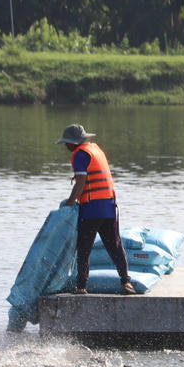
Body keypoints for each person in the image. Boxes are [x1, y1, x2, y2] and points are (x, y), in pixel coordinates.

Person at [56, 124, 136, 295]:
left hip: (92, 208)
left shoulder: (80, 154)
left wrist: (69, 203)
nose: (66, 146)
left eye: (67, 143)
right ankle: (126, 282)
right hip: (109, 206)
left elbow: (81, 183)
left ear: (73, 143)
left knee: (84, 247)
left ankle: (81, 286)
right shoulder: (96, 150)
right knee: (114, 245)